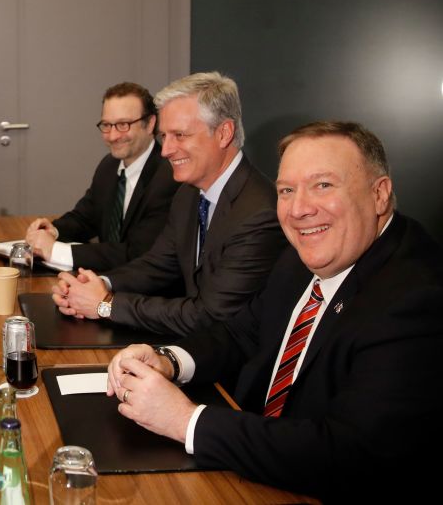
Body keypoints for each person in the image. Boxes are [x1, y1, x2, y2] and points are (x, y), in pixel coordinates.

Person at [104, 121, 443, 501]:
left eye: (323, 185)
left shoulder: (417, 299)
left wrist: (185, 421)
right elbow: (241, 332)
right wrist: (168, 360)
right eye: (286, 190)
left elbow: (350, 456)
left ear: (379, 195)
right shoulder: (305, 255)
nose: (299, 210)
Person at [52, 72, 286, 336]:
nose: (165, 150)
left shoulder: (259, 213)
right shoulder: (189, 192)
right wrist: (99, 284)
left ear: (223, 133)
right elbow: (158, 265)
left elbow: (208, 316)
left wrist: (106, 305)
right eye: (165, 136)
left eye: (180, 135)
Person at [24, 82, 179, 272]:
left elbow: (137, 253)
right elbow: (86, 218)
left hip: (145, 293)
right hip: (102, 280)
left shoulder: (170, 177)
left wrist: (55, 251)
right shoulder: (109, 165)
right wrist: (53, 231)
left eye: (123, 125)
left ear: (150, 124)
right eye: (106, 125)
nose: (112, 136)